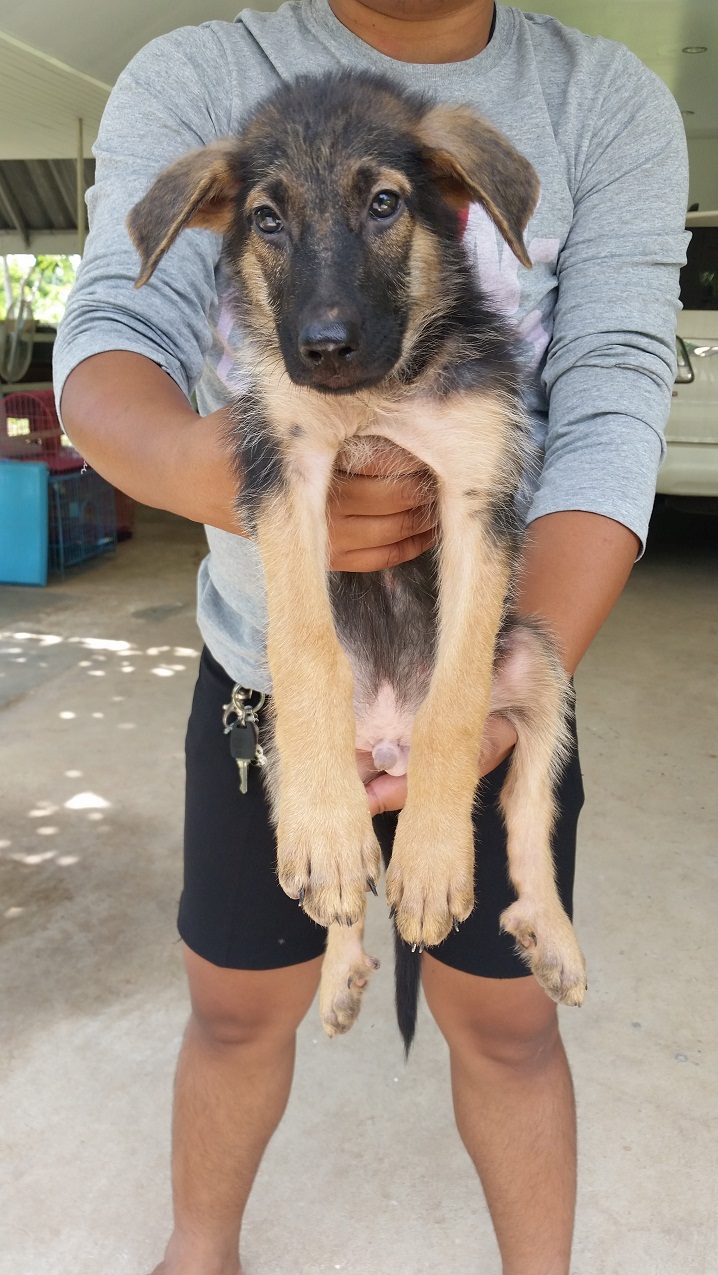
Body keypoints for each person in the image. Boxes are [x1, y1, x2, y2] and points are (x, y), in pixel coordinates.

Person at [54, 1, 688, 1271]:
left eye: (384, 209)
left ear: (449, 203)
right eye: (275, 226)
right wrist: (228, 470)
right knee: (237, 1010)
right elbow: (115, 334)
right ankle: (199, 1250)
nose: (328, 304)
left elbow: (613, 385)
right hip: (273, 672)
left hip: (476, 667)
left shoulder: (603, 98)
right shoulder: (202, 74)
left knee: (506, 1023)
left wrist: (482, 718)